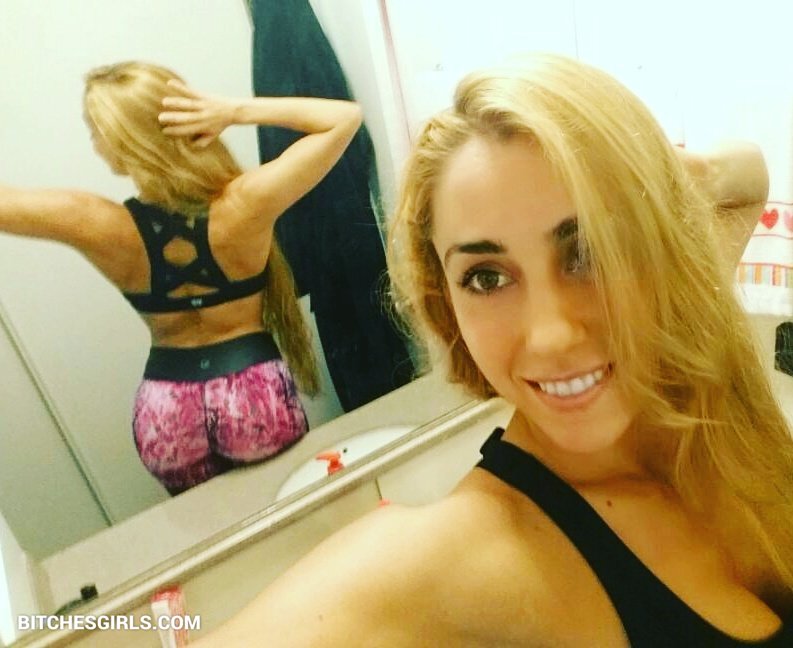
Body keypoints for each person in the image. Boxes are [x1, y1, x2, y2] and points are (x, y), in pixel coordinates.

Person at [193, 54, 793, 646]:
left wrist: (646, 174)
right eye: (486, 277)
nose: (551, 335)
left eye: (589, 251)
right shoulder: (459, 558)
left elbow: (746, 177)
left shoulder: (689, 361)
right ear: (446, 300)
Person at [0, 62, 362, 495]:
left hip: (166, 410)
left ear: (122, 139)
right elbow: (344, 118)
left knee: (213, 531)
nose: (95, 145)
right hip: (251, 394)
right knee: (291, 511)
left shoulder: (97, 222)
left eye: (95, 131)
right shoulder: (245, 202)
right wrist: (233, 112)